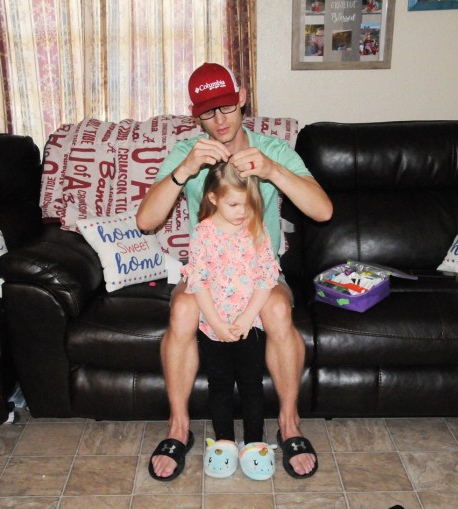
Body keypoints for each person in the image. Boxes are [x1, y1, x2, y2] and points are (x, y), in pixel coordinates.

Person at [136, 62, 333, 481]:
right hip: (207, 273)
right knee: (183, 313)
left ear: (241, 98)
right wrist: (183, 170)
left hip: (258, 272)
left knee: (278, 312)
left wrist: (272, 171)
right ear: (196, 114)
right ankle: (179, 429)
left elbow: (323, 209)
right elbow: (145, 221)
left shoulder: (271, 149)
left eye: (226, 107)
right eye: (208, 113)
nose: (220, 121)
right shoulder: (187, 153)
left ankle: (289, 424)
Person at [185, 162, 277, 478]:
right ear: (213, 197)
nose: (242, 211)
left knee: (252, 386)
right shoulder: (204, 234)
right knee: (220, 386)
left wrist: (248, 317)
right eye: (233, 203)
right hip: (213, 329)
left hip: (249, 327)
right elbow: (198, 282)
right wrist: (217, 324)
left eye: (247, 203)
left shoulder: (256, 230)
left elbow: (266, 277)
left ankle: (254, 444)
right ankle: (223, 442)